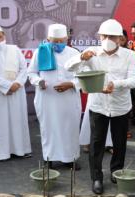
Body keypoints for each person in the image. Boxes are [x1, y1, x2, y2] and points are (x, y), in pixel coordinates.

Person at [65, 19, 135, 194]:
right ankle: (96, 178)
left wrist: (116, 84)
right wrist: (81, 57)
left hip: (121, 106)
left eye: (112, 36)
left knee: (119, 142)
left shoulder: (129, 55)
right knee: (96, 144)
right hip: (98, 105)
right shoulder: (92, 53)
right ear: (99, 36)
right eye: (104, 35)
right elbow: (69, 67)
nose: (107, 39)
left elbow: (134, 80)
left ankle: (116, 171)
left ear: (120, 38)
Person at [28, 24, 82, 168]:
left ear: (66, 39)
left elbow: (83, 77)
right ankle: (49, 157)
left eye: (61, 41)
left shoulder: (74, 54)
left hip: (68, 99)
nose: (58, 44)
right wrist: (39, 81)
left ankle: (70, 159)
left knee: (69, 128)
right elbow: (31, 73)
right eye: (54, 41)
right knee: (49, 128)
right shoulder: (40, 52)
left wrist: (70, 84)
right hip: (47, 98)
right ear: (48, 39)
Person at [0, 25, 32, 161]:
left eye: (0, 37)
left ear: (4, 35)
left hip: (17, 91)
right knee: (0, 121)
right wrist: (6, 86)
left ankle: (22, 150)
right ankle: (4, 153)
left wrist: (16, 84)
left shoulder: (14, 49)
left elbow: (23, 69)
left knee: (18, 119)